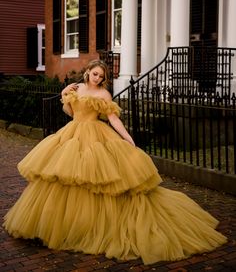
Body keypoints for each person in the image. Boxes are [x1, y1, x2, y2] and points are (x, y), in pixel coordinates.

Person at [3, 59, 227, 265]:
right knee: (66, 178)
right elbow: (70, 112)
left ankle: (92, 228)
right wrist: (64, 93)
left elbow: (113, 119)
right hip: (72, 134)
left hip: (96, 136)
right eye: (95, 74)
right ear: (87, 72)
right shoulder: (77, 88)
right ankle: (64, 226)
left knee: (97, 180)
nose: (97, 78)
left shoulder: (104, 95)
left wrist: (128, 138)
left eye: (101, 76)